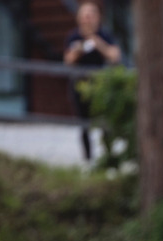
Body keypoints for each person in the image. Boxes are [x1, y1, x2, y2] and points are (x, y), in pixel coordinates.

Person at [63, 0, 121, 162]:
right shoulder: (74, 37)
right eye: (85, 15)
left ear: (98, 17)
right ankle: (88, 159)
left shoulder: (105, 35)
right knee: (84, 125)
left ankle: (110, 159)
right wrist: (80, 48)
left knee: (105, 123)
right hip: (80, 86)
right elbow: (68, 60)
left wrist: (97, 42)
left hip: (102, 87)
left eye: (91, 14)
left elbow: (115, 56)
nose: (88, 18)